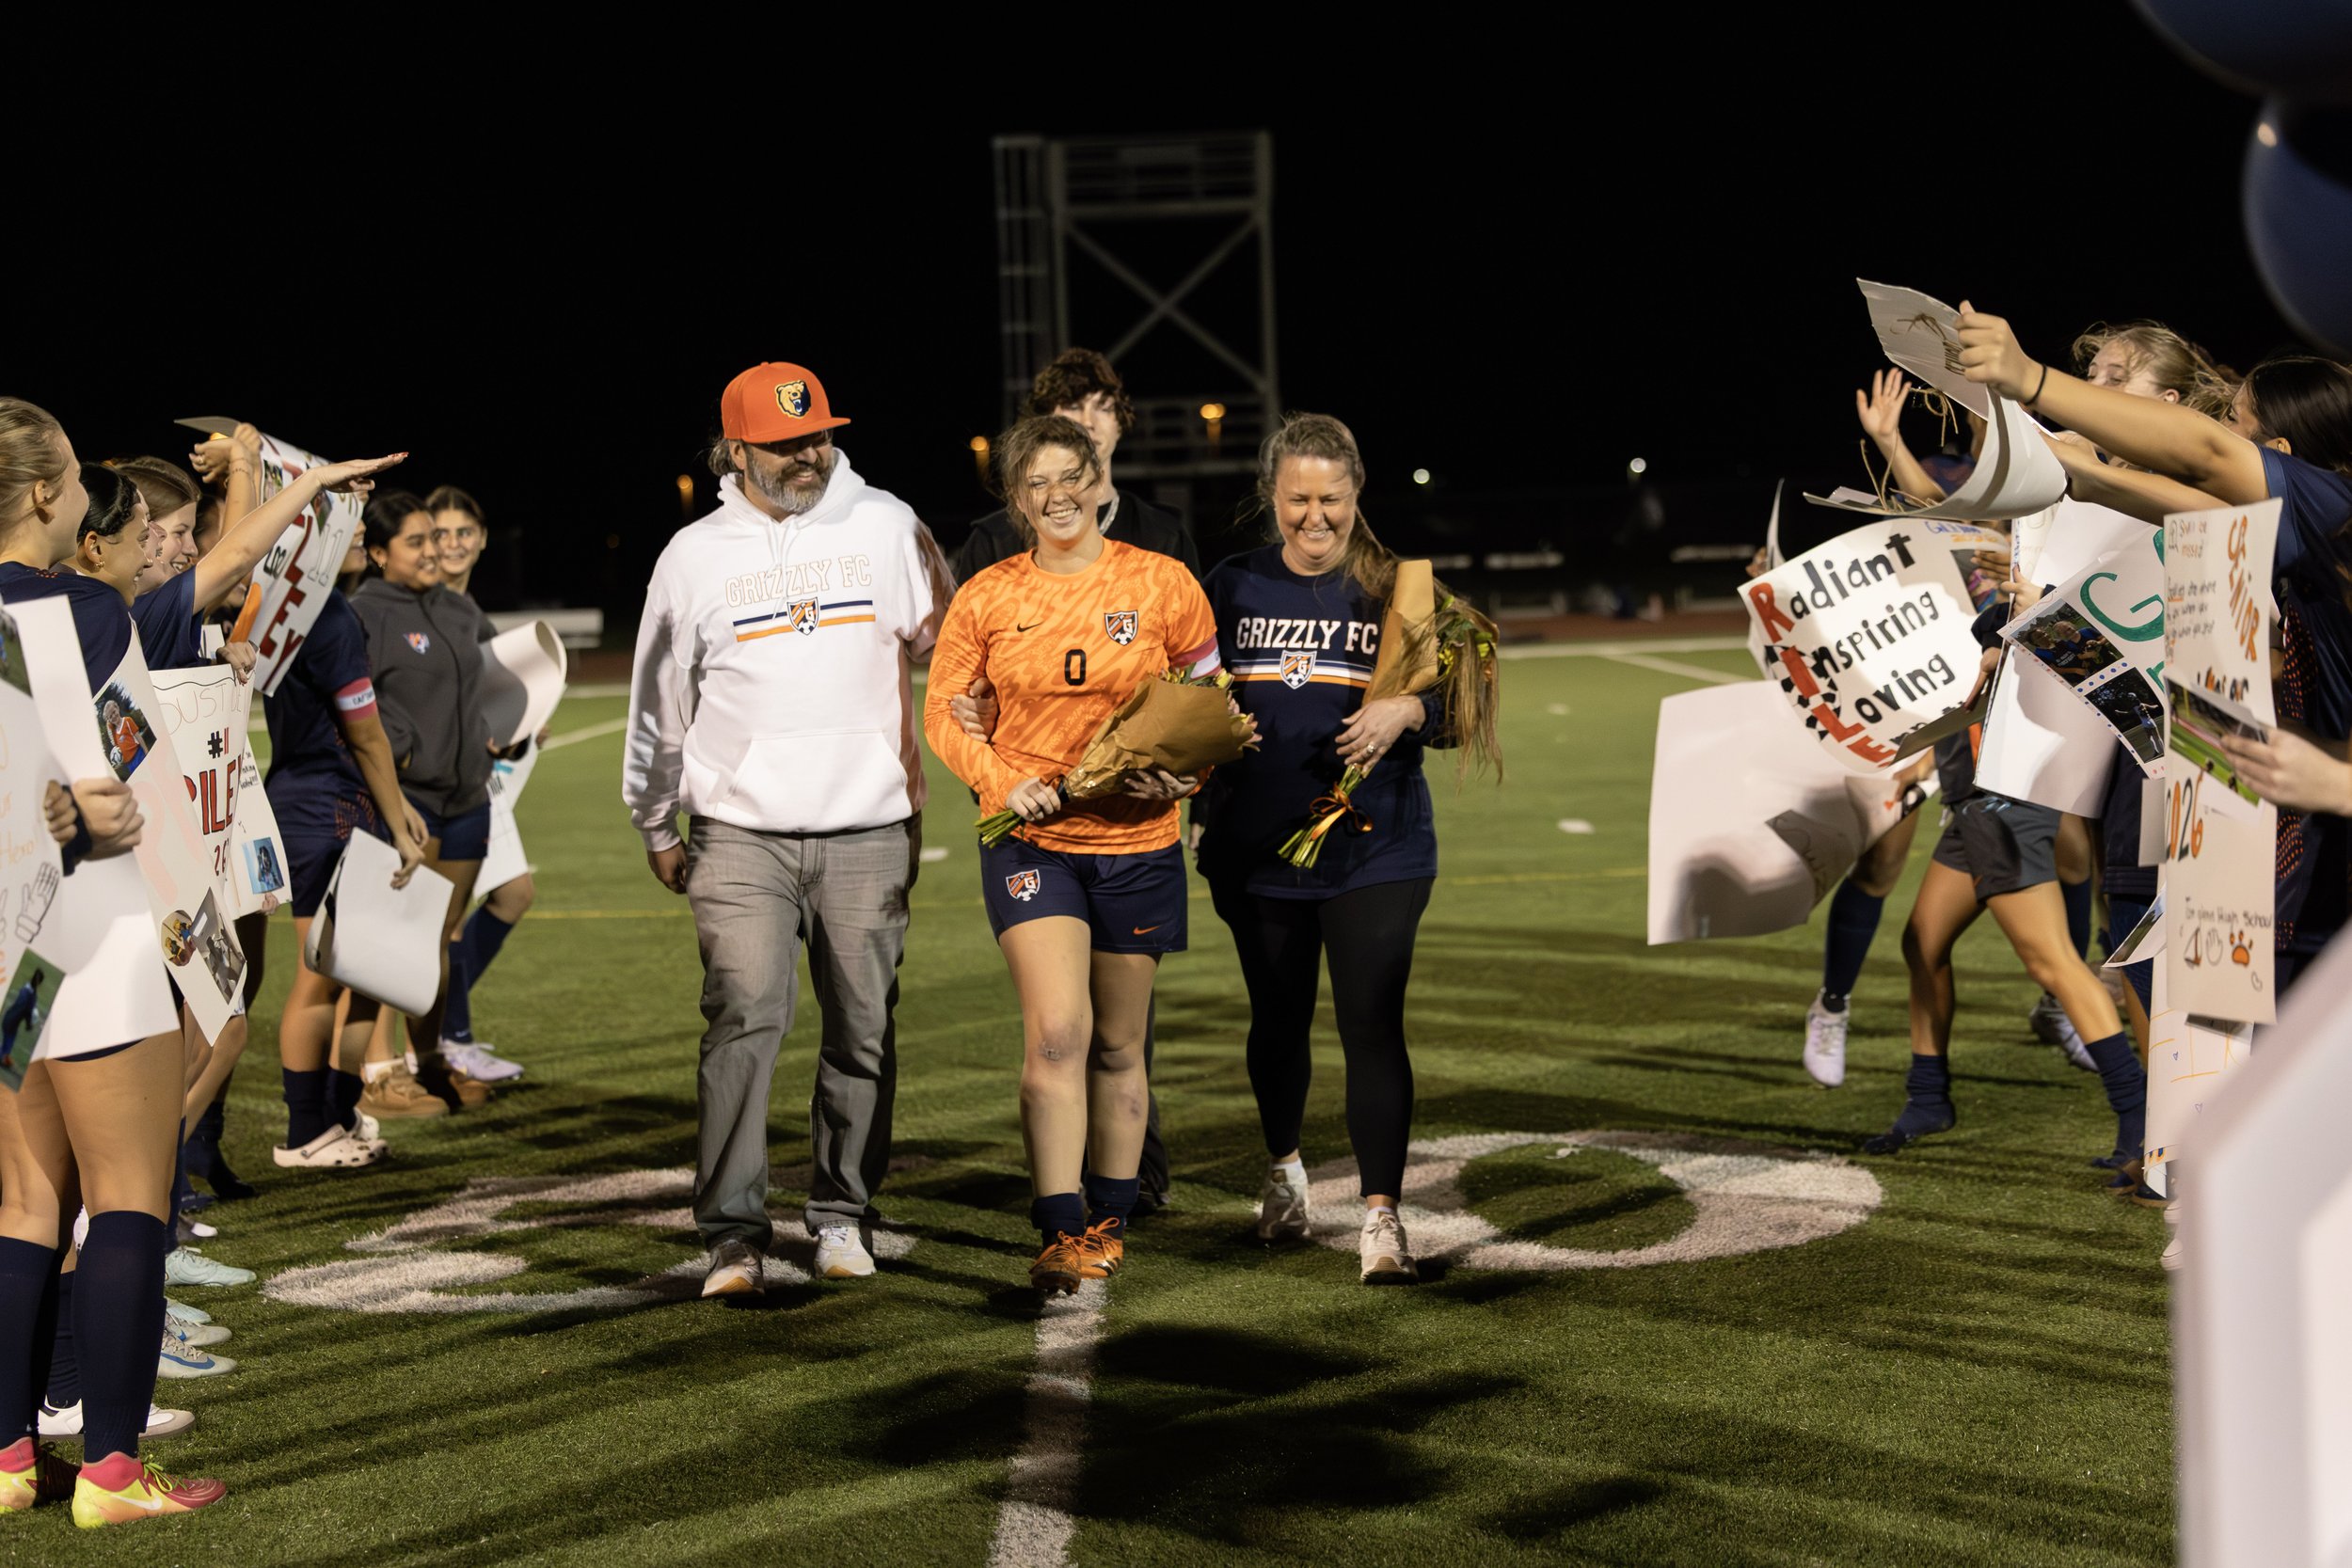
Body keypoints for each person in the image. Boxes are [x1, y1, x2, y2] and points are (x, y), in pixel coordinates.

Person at [626, 362, 949, 1293]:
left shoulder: (888, 522)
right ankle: (733, 1233)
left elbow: (958, 643)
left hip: (870, 828)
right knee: (742, 1021)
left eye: (815, 436)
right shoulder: (692, 554)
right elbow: (657, 701)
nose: (807, 454)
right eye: (784, 441)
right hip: (739, 833)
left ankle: (844, 1212)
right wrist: (655, 818)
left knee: (862, 1028)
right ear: (736, 450)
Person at [1957, 310, 2352, 993]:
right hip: (2241, 836)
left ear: (2281, 456)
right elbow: (2114, 486)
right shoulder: (2282, 531)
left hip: (2285, 844)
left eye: (2235, 418)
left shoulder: (2330, 506)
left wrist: (2033, 379)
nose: (2219, 428)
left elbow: (2202, 457)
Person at [1190, 413, 1500, 1283]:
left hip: (1380, 848)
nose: (1313, 516)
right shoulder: (1231, 584)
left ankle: (1381, 1216)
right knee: (1278, 1021)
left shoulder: (1396, 589)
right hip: (1258, 851)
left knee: (1372, 1022)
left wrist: (1409, 710)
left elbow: (1463, 702)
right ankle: (1285, 1170)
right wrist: (1200, 764)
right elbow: (1187, 698)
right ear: (1271, 495)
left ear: (1357, 495)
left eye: (1330, 497)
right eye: (1297, 498)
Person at [924, 414, 1218, 1294]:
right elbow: (942, 709)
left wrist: (1188, 775)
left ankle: (1109, 1219)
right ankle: (1058, 1225)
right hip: (1032, 840)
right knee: (1058, 1034)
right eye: (1035, 484)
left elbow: (1211, 702)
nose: (1056, 497)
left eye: (1069, 478)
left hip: (1137, 843)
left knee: (1121, 1048)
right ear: (1017, 500)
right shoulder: (987, 595)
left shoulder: (1163, 581)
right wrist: (1000, 780)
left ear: (1098, 481)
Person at [0, 397, 219, 1524]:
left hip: (3, 936)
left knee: (24, 1200)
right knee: (129, 1192)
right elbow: (139, 778)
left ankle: (2, 1460)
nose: (88, 488)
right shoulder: (85, 607)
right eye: (77, 472)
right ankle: (113, 1471)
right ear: (43, 493)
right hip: (94, 920)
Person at [262, 525, 434, 1160]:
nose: (360, 529)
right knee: (322, 977)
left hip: (325, 796)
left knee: (358, 970)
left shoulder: (305, 602)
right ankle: (306, 1132)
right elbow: (364, 735)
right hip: (323, 803)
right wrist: (395, 817)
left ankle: (333, 1112)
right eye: (344, 518)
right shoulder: (326, 611)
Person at [349, 493, 501, 1111]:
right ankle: (379, 1074)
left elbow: (496, 674)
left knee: (438, 937)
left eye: (432, 539)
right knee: (395, 943)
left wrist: (516, 718)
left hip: (469, 798)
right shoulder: (366, 612)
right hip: (411, 800)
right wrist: (405, 753)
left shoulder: (459, 609)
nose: (432, 551)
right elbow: (355, 699)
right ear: (380, 553)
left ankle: (430, 1061)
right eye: (415, 542)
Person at [423, 484, 527, 1085]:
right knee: (452, 917)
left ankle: (444, 1029)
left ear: (483, 539)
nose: (456, 543)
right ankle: (448, 1037)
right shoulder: (421, 605)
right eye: (443, 533)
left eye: (467, 532)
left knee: (512, 895)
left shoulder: (473, 614)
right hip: (442, 784)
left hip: (480, 779)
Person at [951, 348, 1199, 584]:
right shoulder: (994, 540)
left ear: (1120, 423)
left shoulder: (1163, 534)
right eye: (1073, 406)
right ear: (1044, 420)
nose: (1088, 422)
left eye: (1103, 407)